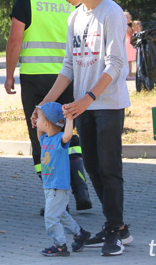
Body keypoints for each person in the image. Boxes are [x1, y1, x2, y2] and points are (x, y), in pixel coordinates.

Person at [34, 0, 132, 256]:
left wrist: (89, 97)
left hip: (107, 103)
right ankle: (118, 227)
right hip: (82, 106)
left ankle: (115, 229)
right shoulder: (74, 17)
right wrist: (44, 104)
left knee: (110, 168)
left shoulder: (111, 13)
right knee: (91, 166)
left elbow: (116, 64)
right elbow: (68, 66)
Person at [4, 0, 91, 211]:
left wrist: (9, 75)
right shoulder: (71, 1)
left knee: (41, 136)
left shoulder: (26, 1)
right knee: (69, 130)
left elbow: (14, 42)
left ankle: (56, 198)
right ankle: (81, 189)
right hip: (69, 78)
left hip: (36, 80)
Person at [35, 102, 91, 257]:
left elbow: (67, 135)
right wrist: (37, 118)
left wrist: (69, 118)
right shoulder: (45, 139)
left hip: (58, 187)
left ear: (46, 124)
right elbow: (39, 133)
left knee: (51, 217)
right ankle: (80, 233)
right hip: (50, 187)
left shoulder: (60, 140)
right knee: (61, 215)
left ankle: (60, 245)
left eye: (38, 119)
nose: (36, 123)